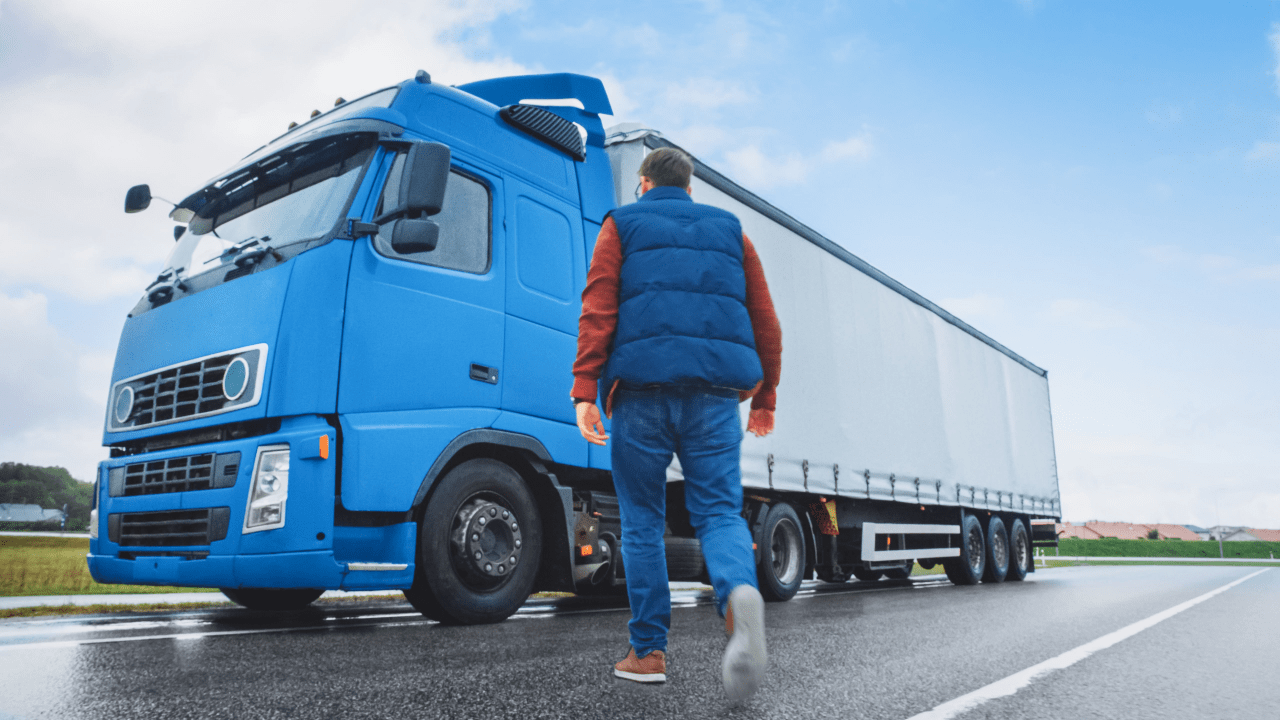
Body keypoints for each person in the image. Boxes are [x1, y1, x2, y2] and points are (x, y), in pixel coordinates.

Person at [570, 146, 782, 702]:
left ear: (643, 183)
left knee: (642, 522)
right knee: (718, 513)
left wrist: (585, 392)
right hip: (713, 399)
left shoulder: (622, 224)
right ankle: (738, 596)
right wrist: (766, 400)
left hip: (640, 397)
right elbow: (766, 322)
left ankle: (648, 652)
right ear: (689, 187)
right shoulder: (731, 231)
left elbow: (598, 309)